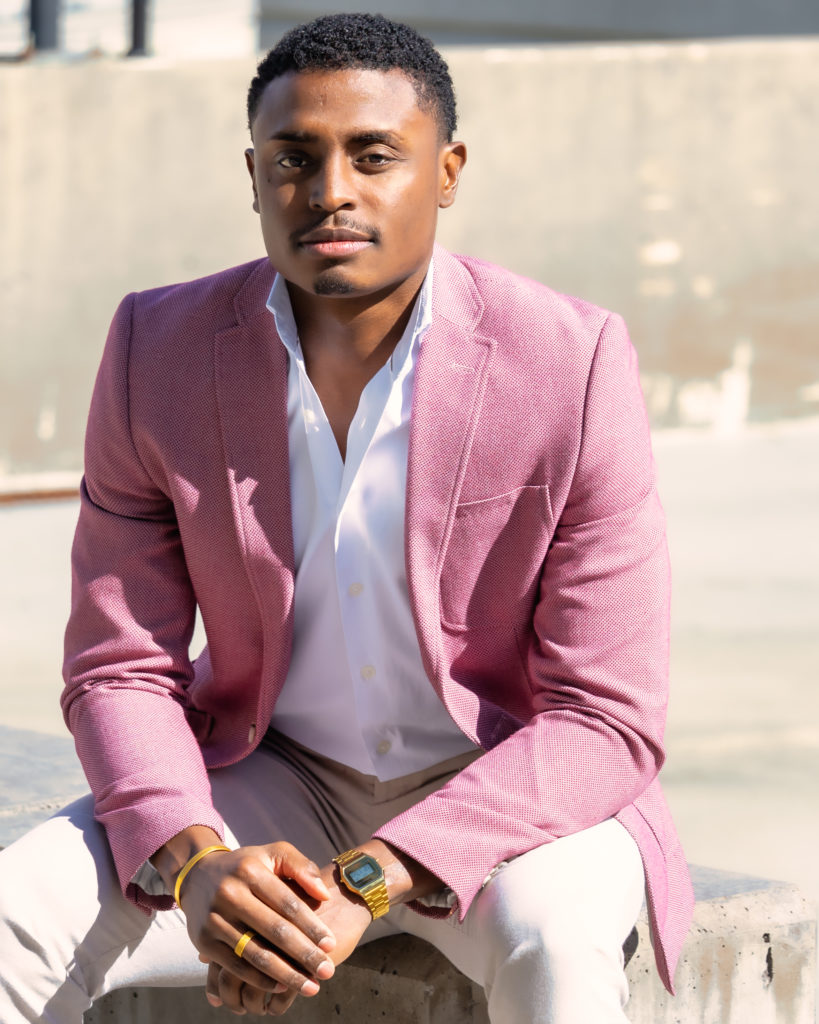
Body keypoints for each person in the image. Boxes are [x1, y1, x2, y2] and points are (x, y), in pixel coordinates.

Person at [0, 12, 693, 1023]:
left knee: (555, 946)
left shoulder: (569, 362)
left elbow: (607, 715)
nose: (330, 190)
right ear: (253, 177)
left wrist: (369, 879)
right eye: (294, 158)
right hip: (268, 779)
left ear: (446, 171)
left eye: (374, 156)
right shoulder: (159, 348)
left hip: (510, 795)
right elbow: (119, 665)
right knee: (15, 911)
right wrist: (196, 863)